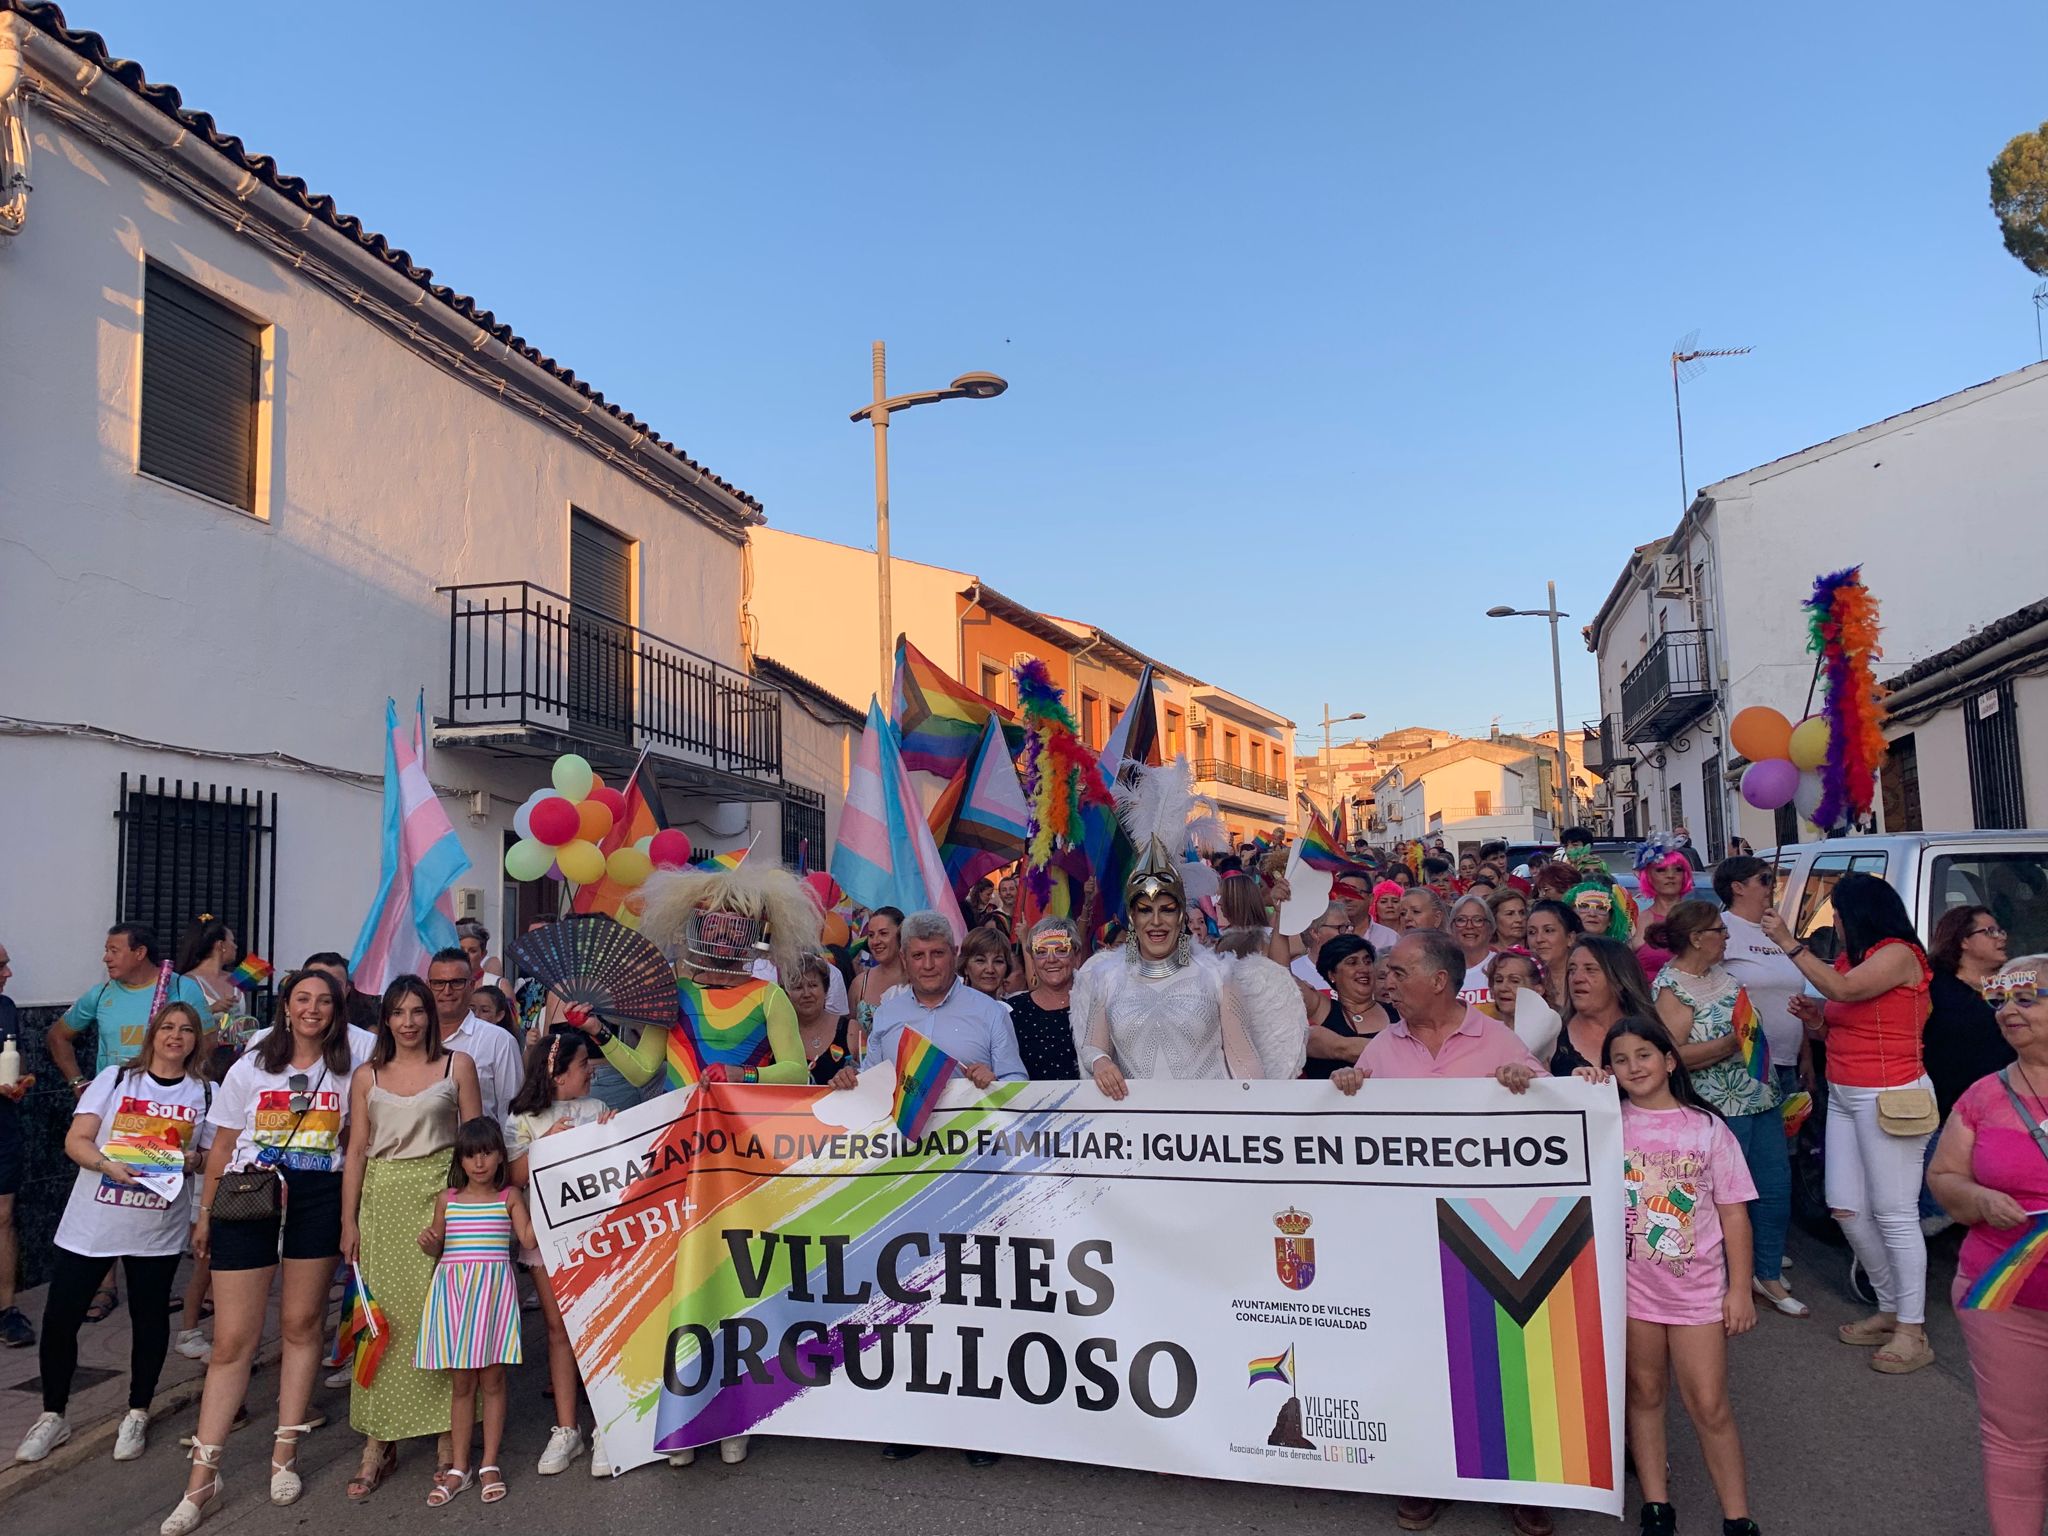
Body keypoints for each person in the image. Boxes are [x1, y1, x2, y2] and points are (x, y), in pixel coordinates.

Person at [1327, 929, 1553, 1536]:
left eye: (1399, 972)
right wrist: (1348, 1089)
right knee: (1415, 1355)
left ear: (1439, 981)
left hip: (1488, 1232)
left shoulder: (1497, 1039)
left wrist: (1528, 1081)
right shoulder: (1383, 1047)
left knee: (1500, 1357)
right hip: (1405, 1237)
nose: (1386, 981)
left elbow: (1552, 1112)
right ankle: (1421, 1474)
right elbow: (1352, 1130)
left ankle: (1522, 1481)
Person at [165, 968, 358, 1535]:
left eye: (324, 1001)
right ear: (286, 1006)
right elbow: (223, 1142)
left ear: (336, 1010)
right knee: (231, 1340)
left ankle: (284, 1454)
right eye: (302, 999)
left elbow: (355, 1145)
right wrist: (205, 1213)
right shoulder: (251, 1065)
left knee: (301, 1324)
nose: (312, 1009)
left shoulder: (351, 1069)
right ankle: (203, 1478)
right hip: (248, 1193)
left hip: (319, 1198)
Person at [15, 1001, 212, 1466]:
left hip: (156, 1227)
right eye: (167, 1027)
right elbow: (76, 1140)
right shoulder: (116, 1080)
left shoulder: (206, 1091)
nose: (176, 1036)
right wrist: (108, 1166)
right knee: (61, 1317)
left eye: (186, 1029)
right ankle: (53, 1415)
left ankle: (138, 1411)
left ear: (196, 1040)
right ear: (153, 1033)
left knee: (149, 1319)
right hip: (94, 1223)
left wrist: (190, 1161)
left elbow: (210, 1156)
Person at [1763, 873, 1936, 1374]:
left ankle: (1912, 1329)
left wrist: (1788, 942)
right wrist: (1817, 1020)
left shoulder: (1898, 954)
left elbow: (1841, 989)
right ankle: (1890, 1307)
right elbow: (1845, 1010)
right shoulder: (1852, 960)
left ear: (1858, 913)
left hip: (1892, 1094)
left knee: (1894, 1212)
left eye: (1837, 912)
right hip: (1846, 1092)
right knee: (1845, 1208)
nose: (1834, 921)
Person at [1604, 1017, 1763, 1536]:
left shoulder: (1707, 1128)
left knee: (1709, 1405)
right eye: (1620, 1060)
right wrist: (1586, 1086)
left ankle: (1737, 1517)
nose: (1634, 1067)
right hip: (1632, 1293)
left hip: (1697, 1296)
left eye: (1644, 1054)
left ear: (1670, 1061)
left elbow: (1734, 1213)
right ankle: (1657, 1507)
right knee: (1645, 1395)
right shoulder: (1605, 1124)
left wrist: (1739, 1290)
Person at [1073, 765, 1306, 1098]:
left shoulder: (1217, 977)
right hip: (1135, 1122)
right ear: (1133, 918)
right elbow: (1092, 1045)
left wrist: (1257, 1110)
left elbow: (1244, 1062)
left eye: (1167, 909)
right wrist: (1100, 1062)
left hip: (1206, 1123)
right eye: (1145, 910)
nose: (1156, 921)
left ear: (1181, 915)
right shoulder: (1106, 978)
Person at [338, 975, 482, 1501]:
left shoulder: (457, 1065)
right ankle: (378, 1440)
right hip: (383, 1205)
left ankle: (448, 1434)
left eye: (417, 1010)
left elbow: (476, 1142)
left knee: (441, 1318)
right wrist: (348, 1221)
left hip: (442, 1197)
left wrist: (468, 1209)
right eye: (397, 1012)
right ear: (385, 1020)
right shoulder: (367, 1075)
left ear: (430, 1014)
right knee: (384, 1321)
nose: (408, 1021)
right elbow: (357, 1150)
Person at [1927, 957, 2048, 1536]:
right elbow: (1943, 1177)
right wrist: (1978, 1198)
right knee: (2015, 1440)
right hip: (2001, 1295)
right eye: (2000, 1001)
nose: (2008, 1012)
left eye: (2026, 999)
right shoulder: (1984, 1095)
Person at [1649, 902, 1799, 1320]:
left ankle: (1766, 1268)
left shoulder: (1722, 976)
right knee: (1727, 1200)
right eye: (1719, 930)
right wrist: (1730, 1044)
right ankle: (1738, 1278)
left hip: (1758, 1097)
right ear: (1697, 938)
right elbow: (1672, 1055)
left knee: (1774, 1188)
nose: (1727, 936)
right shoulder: (1671, 988)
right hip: (1718, 1108)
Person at [589, 861, 818, 1095]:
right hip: (680, 1116)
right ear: (695, 928)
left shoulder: (769, 996)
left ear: (756, 935)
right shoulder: (673, 993)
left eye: (736, 926)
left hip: (741, 1115)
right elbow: (642, 1071)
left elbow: (798, 1073)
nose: (723, 933)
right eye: (712, 923)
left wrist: (742, 1074)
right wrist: (597, 1030)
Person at [507, 1029, 616, 1477]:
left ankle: (608, 1424)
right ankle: (566, 1427)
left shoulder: (597, 1109)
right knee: (558, 1330)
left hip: (595, 1234)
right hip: (547, 1238)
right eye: (582, 1065)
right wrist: (546, 1142)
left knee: (601, 1324)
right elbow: (514, 1175)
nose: (591, 1071)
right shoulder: (523, 1118)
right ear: (556, 1075)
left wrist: (616, 1130)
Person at [417, 1118, 533, 1507]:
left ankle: (489, 1463)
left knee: (494, 1380)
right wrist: (429, 1244)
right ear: (460, 1160)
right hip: (453, 1297)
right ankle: (459, 1467)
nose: (479, 1163)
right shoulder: (447, 1199)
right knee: (462, 1384)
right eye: (470, 1155)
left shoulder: (509, 1197)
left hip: (493, 1297)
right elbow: (437, 1247)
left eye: (486, 1153)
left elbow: (528, 1237)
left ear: (500, 1156)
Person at [49, 925, 210, 1104]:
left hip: (168, 1100)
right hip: (113, 1099)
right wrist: (77, 1081)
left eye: (114, 951)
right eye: (107, 951)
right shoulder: (100, 994)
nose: (106, 958)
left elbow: (208, 1041)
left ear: (140, 953)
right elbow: (58, 1036)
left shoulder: (182, 988)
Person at [863, 913, 1028, 1087]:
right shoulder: (886, 1013)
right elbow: (869, 1082)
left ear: (954, 953)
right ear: (904, 959)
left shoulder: (991, 1012)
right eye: (918, 955)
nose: (928, 965)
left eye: (937, 954)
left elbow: (1017, 1082)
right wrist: (850, 1081)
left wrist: (995, 1082)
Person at [1926, 906, 2015, 1122]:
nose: (2001, 937)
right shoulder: (1934, 987)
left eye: (2001, 931)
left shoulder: (2016, 985)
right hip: (1951, 1113)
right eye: (1990, 932)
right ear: (1963, 941)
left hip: (2009, 1110)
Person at [424, 950, 525, 1124]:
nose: (447, 991)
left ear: (472, 986)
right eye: (439, 983)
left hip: (479, 1141)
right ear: (428, 987)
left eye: (456, 983)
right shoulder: (412, 1038)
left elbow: (512, 1115)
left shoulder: (499, 1041)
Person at [1553, 937, 1654, 1076]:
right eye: (1572, 970)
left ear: (1618, 980)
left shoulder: (1649, 1033)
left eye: (1590, 970)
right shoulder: (1551, 1035)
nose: (1577, 978)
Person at [0, 939, 34, 1349]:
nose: (7, 973)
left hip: (4, 1127)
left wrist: (19, 1079)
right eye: (1, 966)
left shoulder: (6, 1007)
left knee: (4, 1216)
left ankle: (6, 1309)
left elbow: (15, 1056)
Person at [1304, 936, 1390, 1079]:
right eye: (1352, 962)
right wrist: (1283, 930)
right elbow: (1281, 977)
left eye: (1368, 962)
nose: (1364, 968)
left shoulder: (1399, 1011)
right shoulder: (1321, 1009)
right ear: (1332, 974)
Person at [1007, 919, 1082, 1081]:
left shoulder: (1095, 1005)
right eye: (1041, 952)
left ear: (1077, 957)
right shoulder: (1012, 1011)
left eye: (1061, 950)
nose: (1051, 959)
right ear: (1032, 960)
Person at [175, 916, 240, 1039]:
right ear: (221, 945)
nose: (235, 946)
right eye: (232, 941)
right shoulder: (188, 981)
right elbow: (179, 1019)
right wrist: (211, 1009)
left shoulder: (237, 978)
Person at [849, 907, 907, 1042]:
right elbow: (850, 1033)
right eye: (871, 935)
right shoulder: (860, 984)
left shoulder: (919, 980)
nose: (875, 941)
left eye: (883, 933)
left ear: (901, 935)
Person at [303, 951, 383, 1036]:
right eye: (318, 982)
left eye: (336, 984)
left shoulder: (365, 1040)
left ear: (346, 991)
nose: (326, 990)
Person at [1524, 900, 1583, 1015]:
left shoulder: (1586, 980)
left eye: (1548, 930)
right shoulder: (1524, 982)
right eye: (1532, 932)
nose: (1539, 939)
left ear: (1570, 938)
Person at [1447, 894, 1496, 1007]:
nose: (1469, 926)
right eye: (1461, 920)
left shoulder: (1503, 965)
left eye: (1478, 920)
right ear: (1451, 927)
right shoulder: (1443, 970)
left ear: (1490, 927)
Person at [958, 925, 1013, 999]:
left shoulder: (1011, 1006)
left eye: (998, 961)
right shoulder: (951, 1005)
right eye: (981, 960)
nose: (990, 970)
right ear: (965, 967)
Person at [456, 920, 503, 991]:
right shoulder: (445, 984)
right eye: (461, 950)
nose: (465, 955)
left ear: (483, 954)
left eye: (472, 951)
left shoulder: (499, 985)